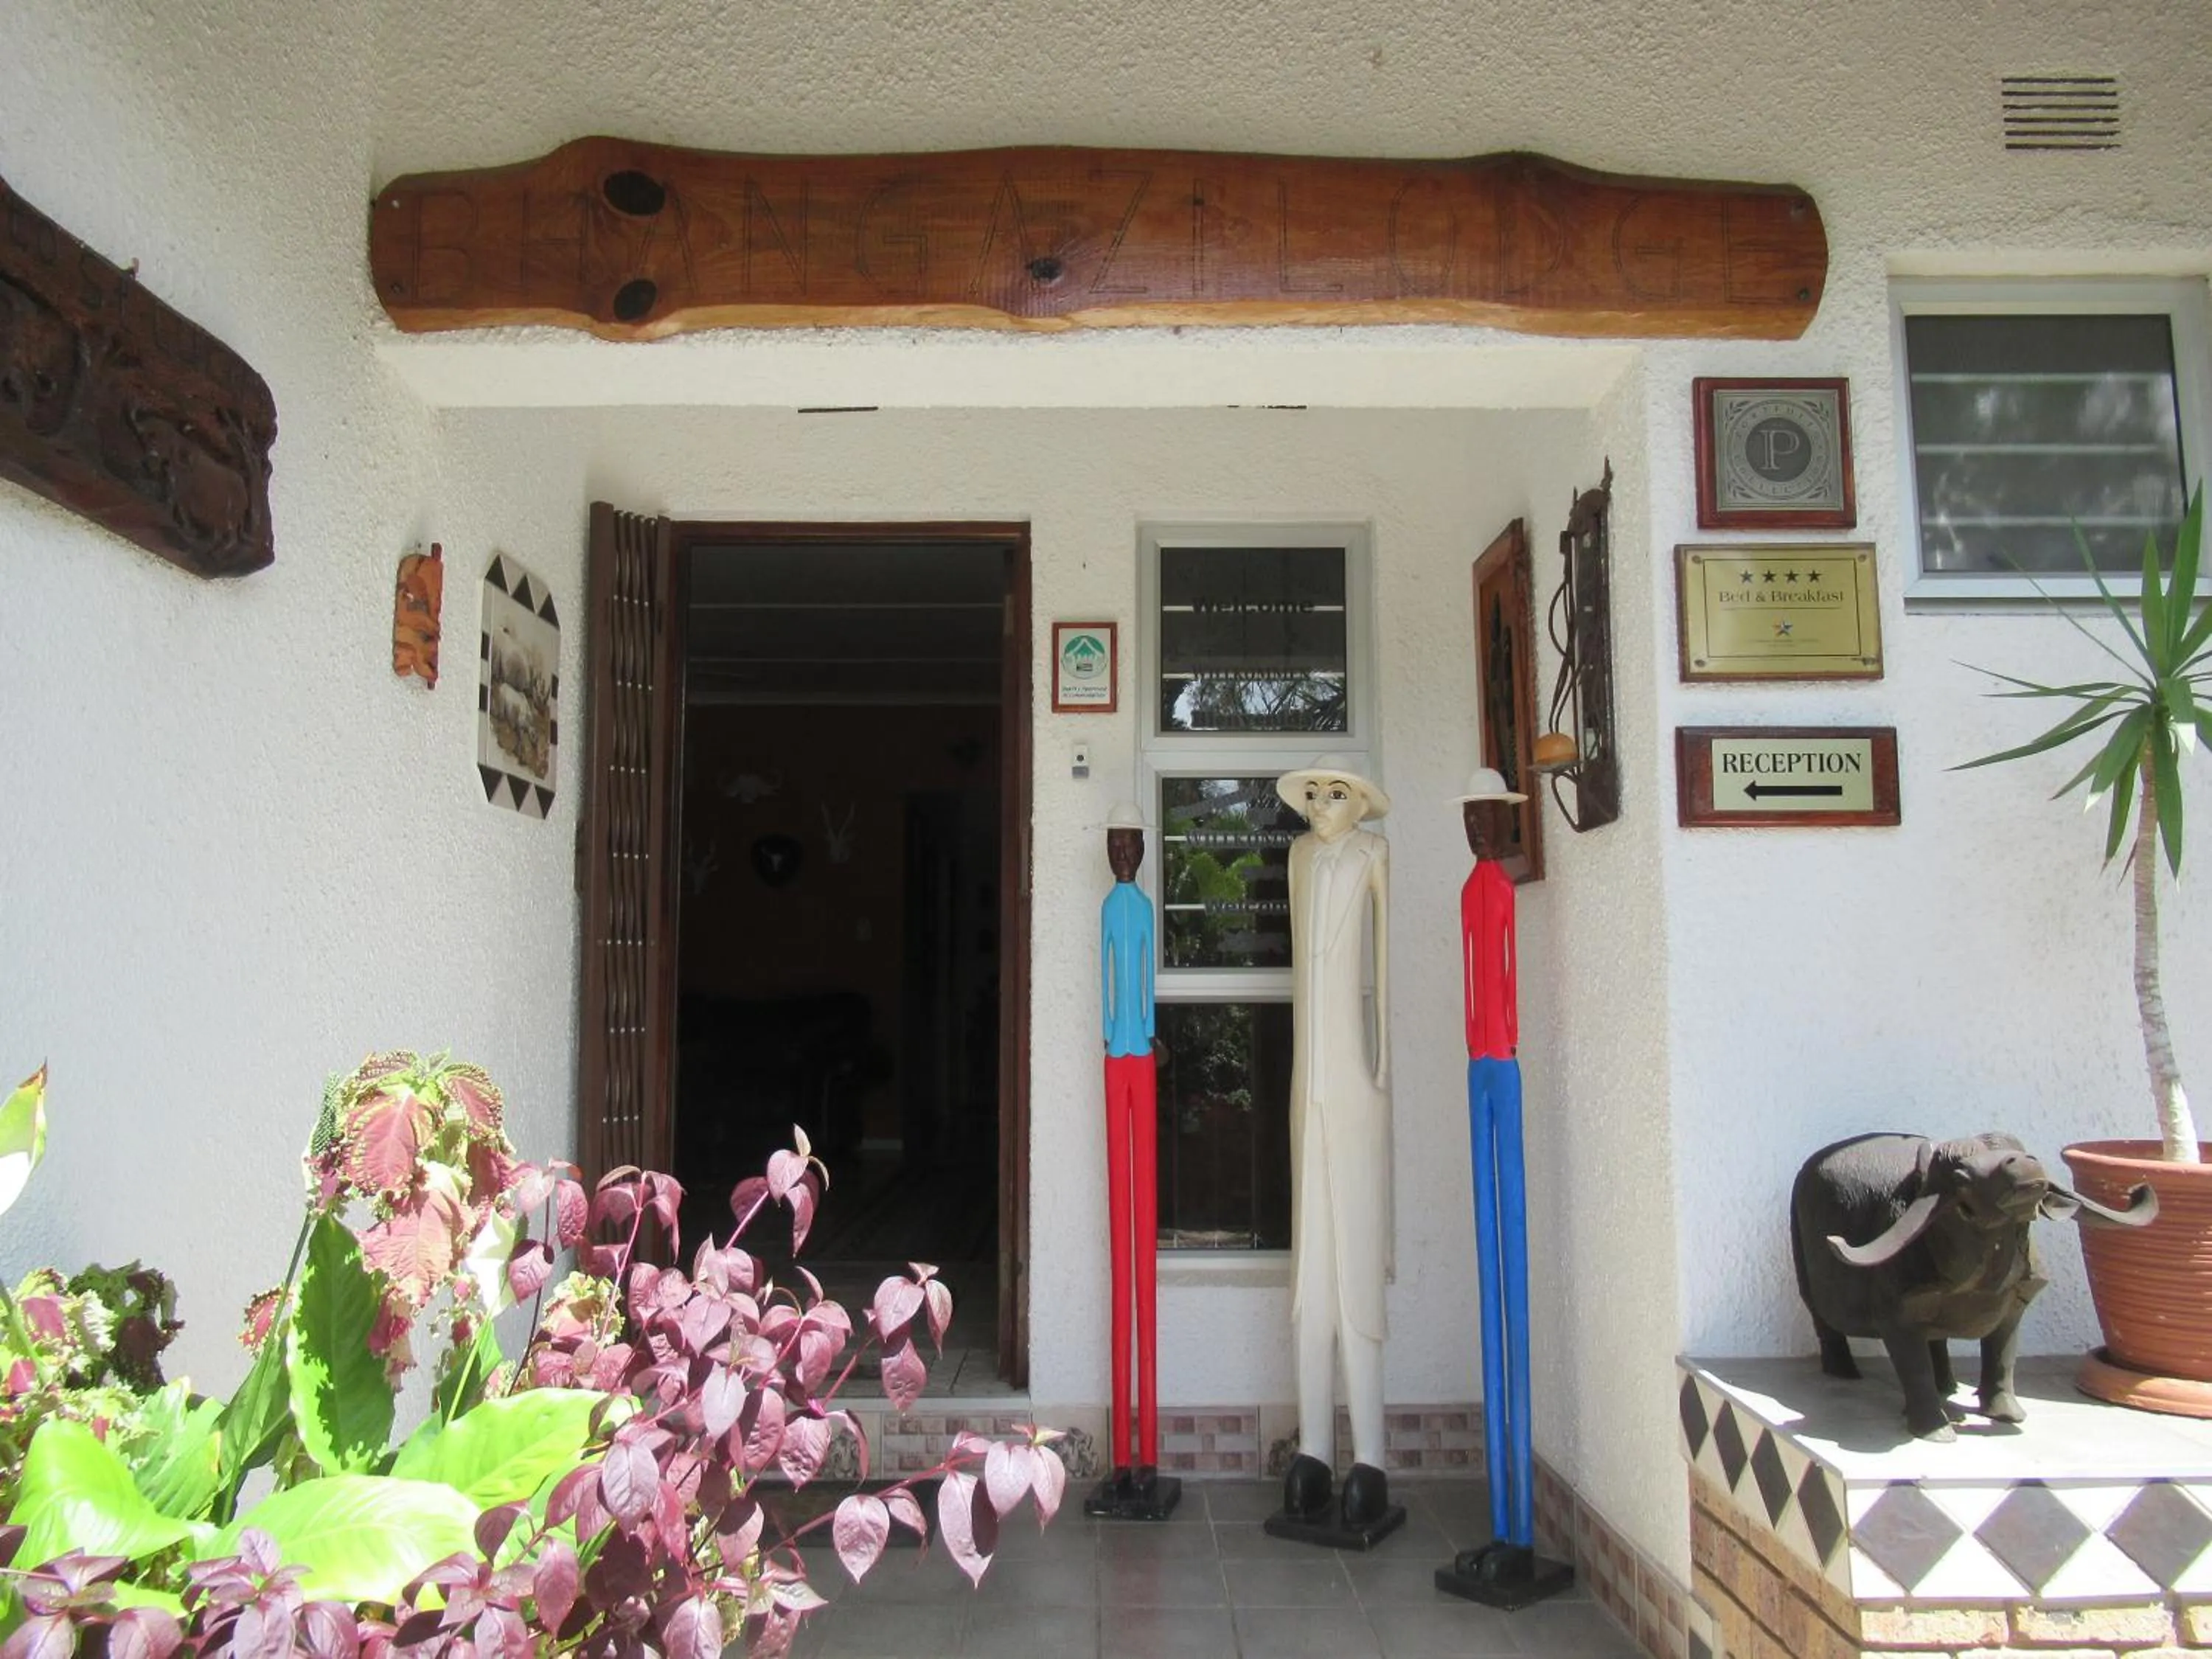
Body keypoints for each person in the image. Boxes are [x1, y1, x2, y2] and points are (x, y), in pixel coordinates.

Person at [1273, 754, 1397, 1534]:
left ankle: (1372, 1457)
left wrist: (1379, 1069)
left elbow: (1382, 973)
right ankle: (1314, 1448)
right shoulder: (1300, 857)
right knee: (1308, 1272)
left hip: (1354, 1082)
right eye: (1314, 792)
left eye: (1337, 792)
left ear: (1361, 804)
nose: (1322, 803)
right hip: (1304, 1084)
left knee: (1355, 1264)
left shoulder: (1373, 856)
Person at [1098, 802, 1162, 1500]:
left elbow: (1143, 976)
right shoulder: (1108, 910)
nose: (1123, 852)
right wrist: (1112, 1036)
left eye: (1131, 843)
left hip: (1138, 1055)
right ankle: (1122, 1452)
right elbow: (1107, 974)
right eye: (1115, 843)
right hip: (1117, 1057)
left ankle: (1147, 1453)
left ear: (1143, 848)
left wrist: (1144, 1031)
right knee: (1121, 1249)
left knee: (1141, 1256)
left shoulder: (1143, 908)